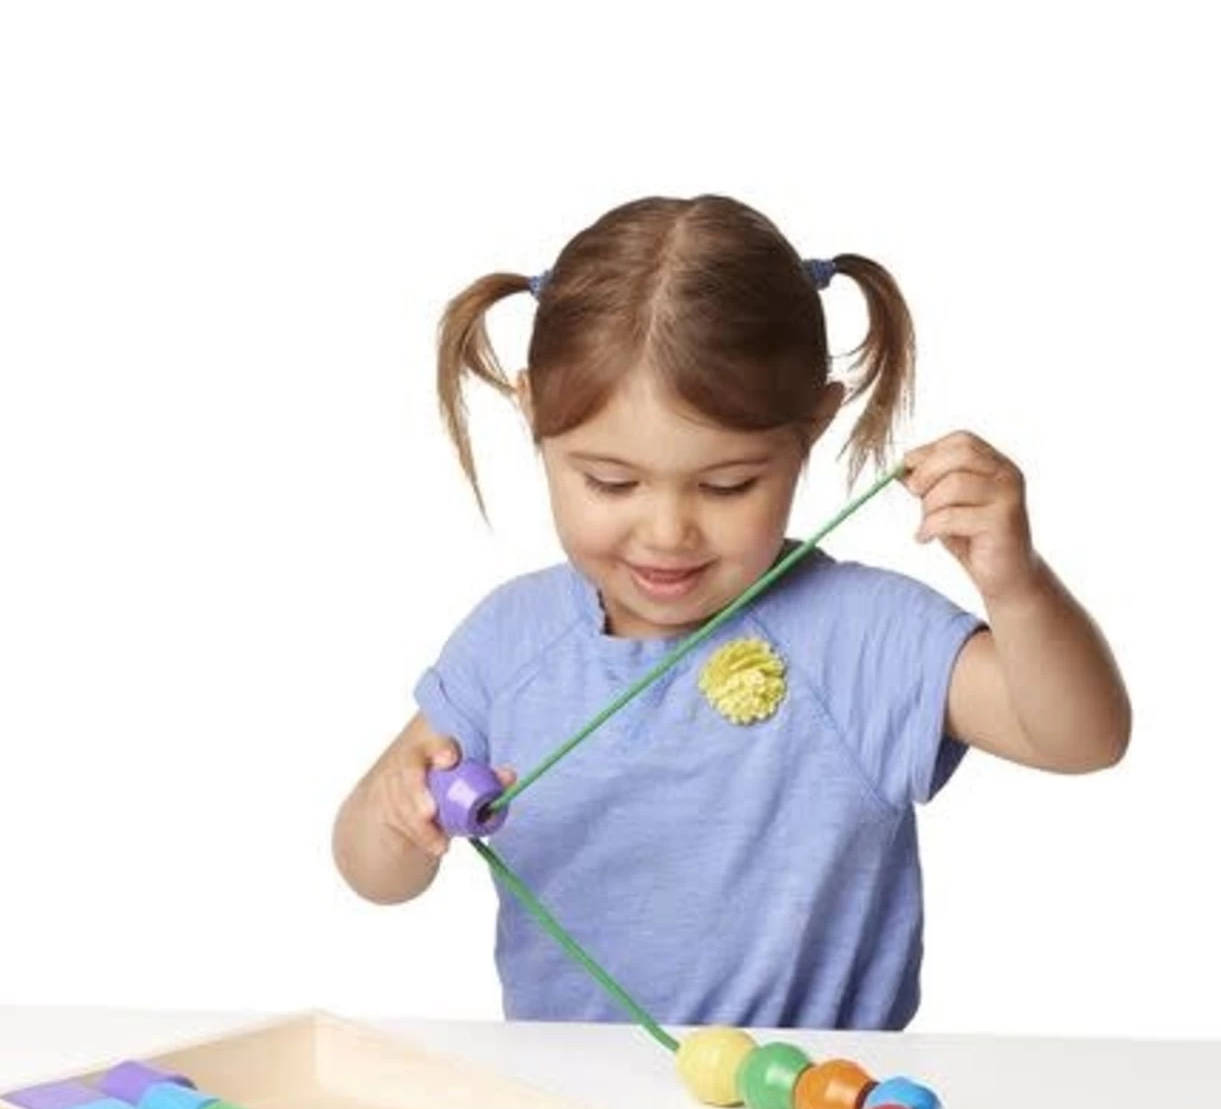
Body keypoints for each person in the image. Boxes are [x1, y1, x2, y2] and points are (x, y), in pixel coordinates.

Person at [332, 194, 1130, 1031]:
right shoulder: (510, 641)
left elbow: (1081, 739)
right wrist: (398, 819)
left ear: (813, 425)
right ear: (532, 413)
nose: (667, 532)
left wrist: (1017, 584)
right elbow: (369, 872)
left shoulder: (860, 633)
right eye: (610, 482)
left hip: (824, 1102)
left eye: (726, 485)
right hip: (570, 1099)